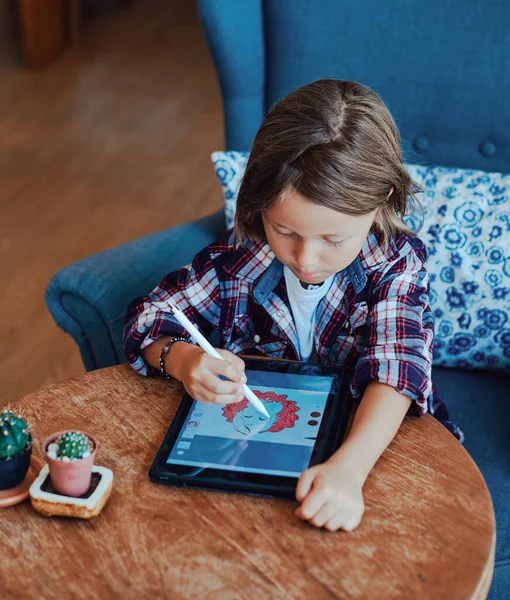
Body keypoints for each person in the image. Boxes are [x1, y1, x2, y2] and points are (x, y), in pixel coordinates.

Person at [123, 79, 460, 534]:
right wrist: (185, 360)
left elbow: (397, 369)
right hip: (268, 451)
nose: (304, 259)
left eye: (332, 240)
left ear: (380, 204)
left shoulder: (395, 264)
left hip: (372, 449)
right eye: (284, 230)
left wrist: (349, 470)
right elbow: (149, 317)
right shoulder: (241, 258)